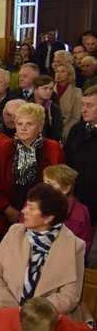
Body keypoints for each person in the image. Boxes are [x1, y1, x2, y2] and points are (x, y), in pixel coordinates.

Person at [0, 183, 93, 324]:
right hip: (2, 310)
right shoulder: (14, 232)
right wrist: (15, 311)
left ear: (48, 218)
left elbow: (69, 297)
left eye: (31, 208)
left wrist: (30, 313)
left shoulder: (75, 246)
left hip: (44, 321)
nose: (24, 211)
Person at [0, 103, 66, 243]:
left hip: (42, 217)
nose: (23, 128)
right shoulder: (2, 149)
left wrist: (39, 212)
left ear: (40, 127)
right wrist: (7, 209)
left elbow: (61, 184)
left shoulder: (53, 149)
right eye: (19, 123)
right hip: (6, 217)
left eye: (29, 124)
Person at [64, 86, 97, 229]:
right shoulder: (77, 129)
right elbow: (67, 160)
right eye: (83, 105)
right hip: (76, 198)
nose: (83, 110)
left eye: (89, 106)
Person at [41, 164, 92, 257]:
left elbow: (83, 249)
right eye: (44, 181)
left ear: (66, 189)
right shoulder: (33, 202)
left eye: (50, 183)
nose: (44, 187)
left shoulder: (81, 213)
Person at [53, 63, 82, 142]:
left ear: (69, 75)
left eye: (62, 72)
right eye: (57, 71)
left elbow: (76, 117)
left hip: (66, 133)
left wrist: (63, 132)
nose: (58, 74)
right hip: (51, 131)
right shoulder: (50, 90)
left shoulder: (77, 92)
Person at [31, 75, 63, 142]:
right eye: (45, 88)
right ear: (35, 89)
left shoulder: (54, 109)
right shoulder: (26, 106)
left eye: (51, 89)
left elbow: (57, 134)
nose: (48, 91)